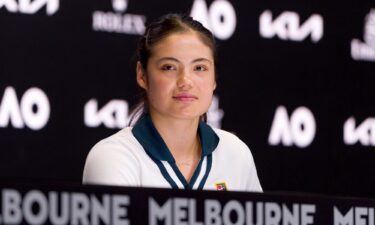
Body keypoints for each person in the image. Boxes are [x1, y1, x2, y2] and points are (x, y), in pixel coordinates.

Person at [82, 14, 262, 192]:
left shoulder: (236, 153)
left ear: (214, 78)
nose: (185, 81)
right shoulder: (113, 157)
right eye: (169, 67)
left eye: (199, 68)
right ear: (142, 75)